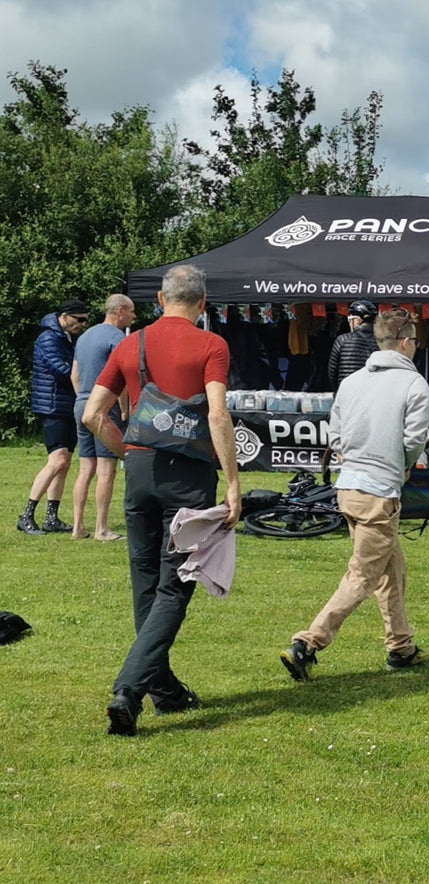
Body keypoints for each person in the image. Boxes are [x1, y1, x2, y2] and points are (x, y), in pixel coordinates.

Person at [84, 265, 241, 736]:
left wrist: (127, 452)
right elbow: (217, 413)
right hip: (189, 478)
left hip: (140, 472)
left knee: (146, 585)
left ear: (158, 299)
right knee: (175, 587)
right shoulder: (212, 345)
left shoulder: (131, 344)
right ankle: (129, 691)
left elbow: (94, 413)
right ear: (204, 305)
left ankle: (167, 690)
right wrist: (232, 481)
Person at [282, 307, 429, 680]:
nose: (416, 346)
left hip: (349, 486)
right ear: (403, 342)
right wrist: (401, 465)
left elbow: (334, 434)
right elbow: (415, 439)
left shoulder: (351, 382)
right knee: (363, 576)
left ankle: (401, 646)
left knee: (390, 571)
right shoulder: (414, 385)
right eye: (414, 340)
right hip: (379, 490)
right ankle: (308, 642)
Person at [17, 299, 90, 535]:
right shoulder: (49, 338)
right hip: (52, 407)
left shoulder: (68, 338)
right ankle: (26, 515)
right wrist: (85, 376)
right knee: (57, 460)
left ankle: (52, 517)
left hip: (65, 405)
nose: (83, 325)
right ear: (65, 316)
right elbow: (62, 371)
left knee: (65, 463)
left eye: (86, 320)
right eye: (80, 320)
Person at [71, 294, 135, 541]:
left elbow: (74, 375)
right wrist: (124, 409)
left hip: (81, 405)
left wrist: (84, 401)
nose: (133, 316)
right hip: (105, 408)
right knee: (107, 469)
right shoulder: (117, 338)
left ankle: (78, 527)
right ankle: (101, 529)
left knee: (86, 468)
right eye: (130, 311)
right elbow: (123, 379)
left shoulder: (85, 336)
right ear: (119, 311)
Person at [327, 299, 379, 392]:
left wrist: (338, 391)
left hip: (346, 392)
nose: (349, 323)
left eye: (350, 320)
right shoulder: (381, 341)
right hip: (371, 393)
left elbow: (332, 373)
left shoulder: (342, 340)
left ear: (358, 321)